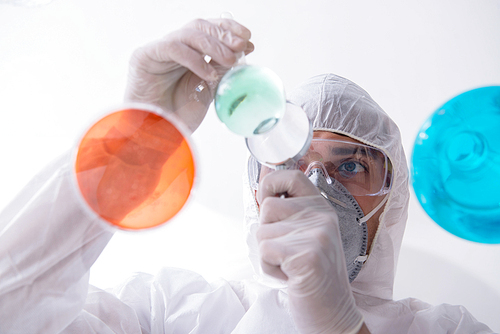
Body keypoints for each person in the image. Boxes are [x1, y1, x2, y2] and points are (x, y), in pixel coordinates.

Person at [0, 18, 494, 334]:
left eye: (349, 166)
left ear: (392, 201)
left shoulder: (447, 330)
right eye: (289, 161)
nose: (318, 186)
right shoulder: (171, 312)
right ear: (256, 189)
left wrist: (340, 326)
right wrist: (132, 145)